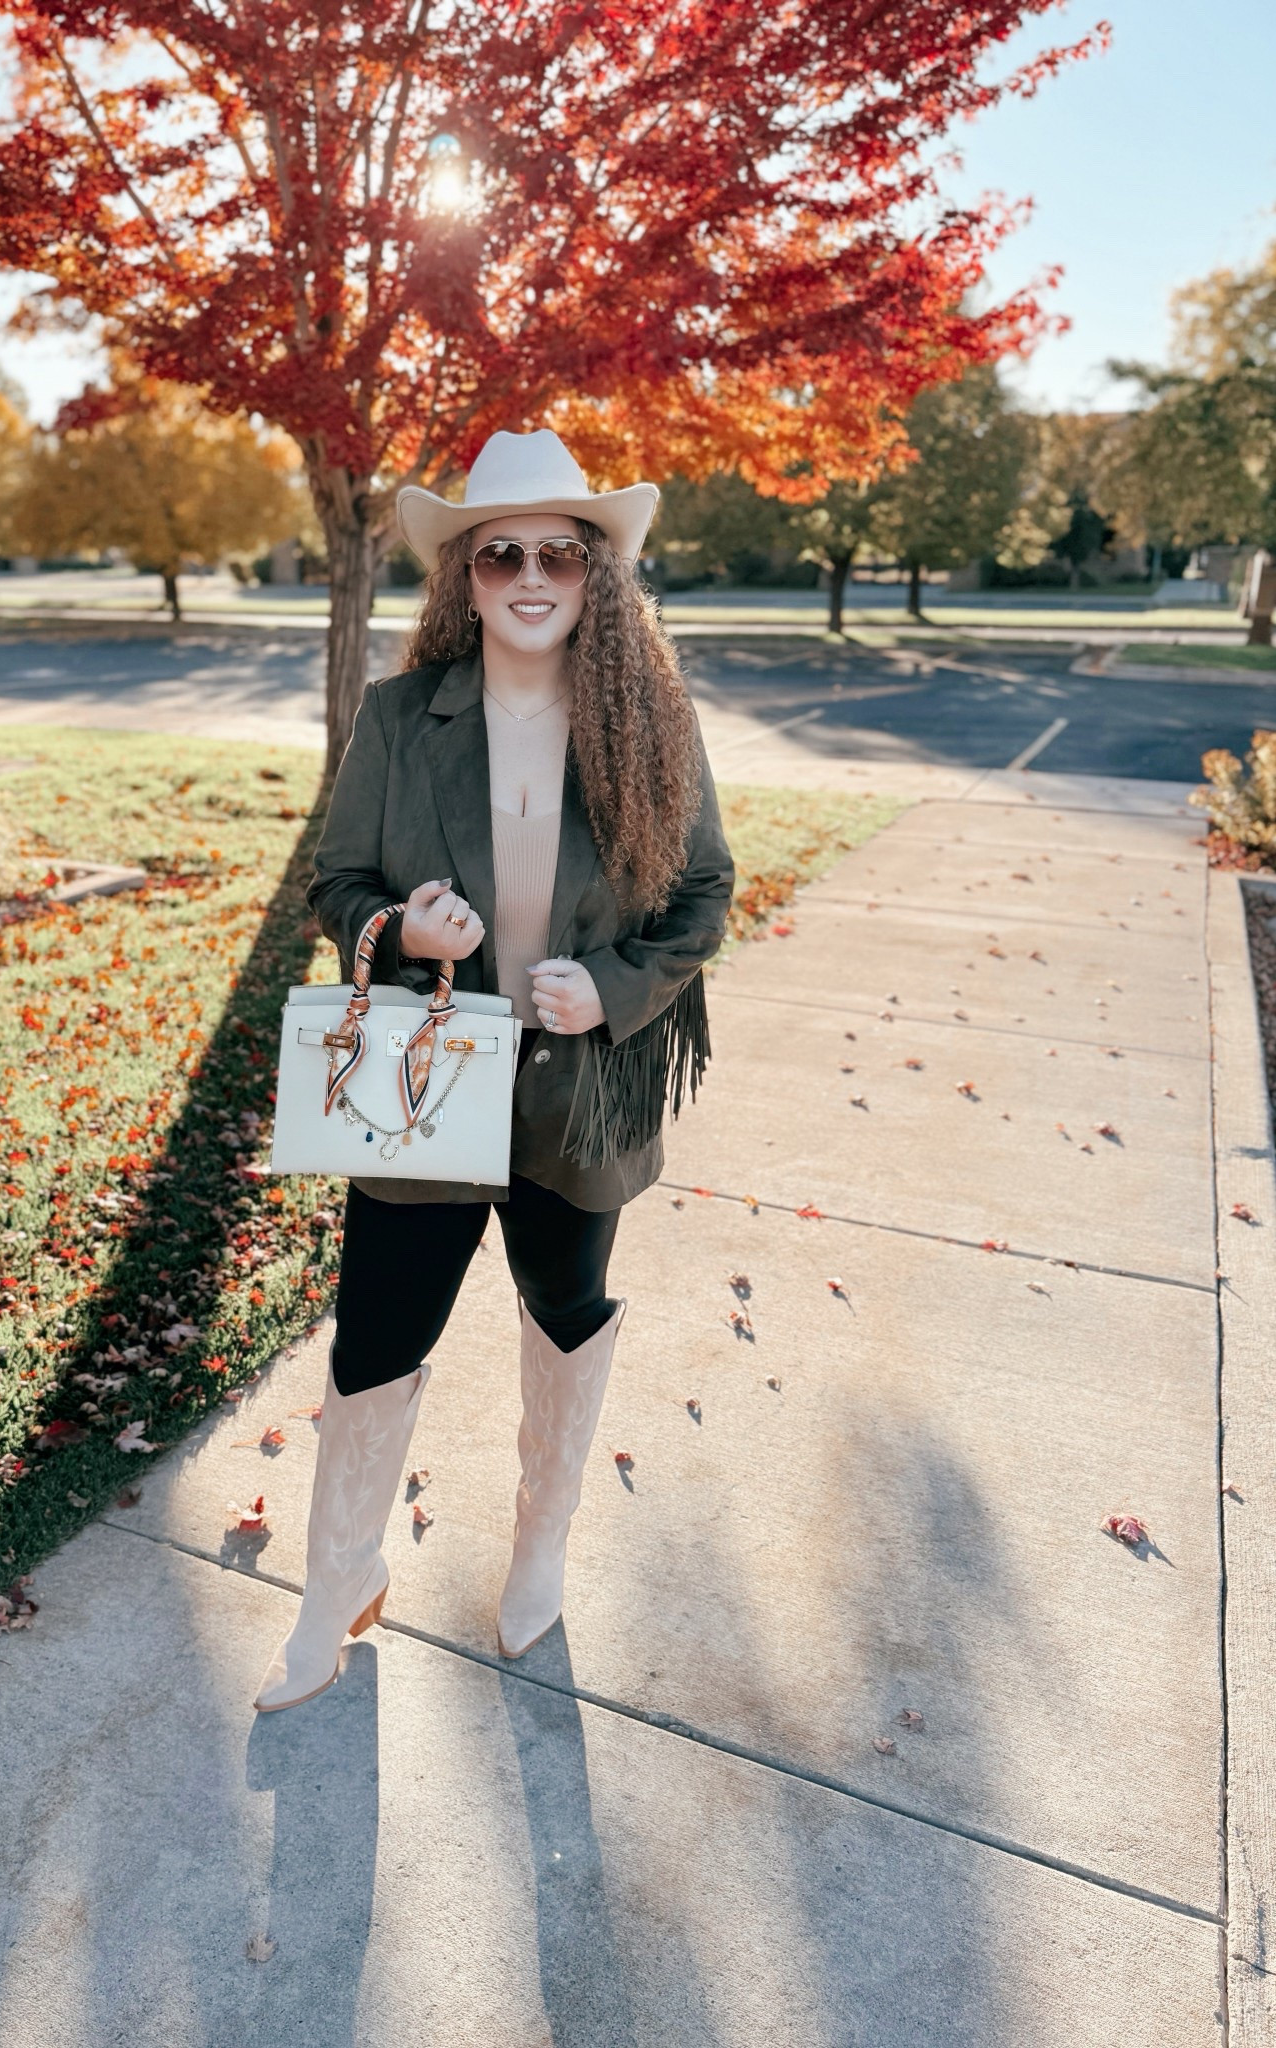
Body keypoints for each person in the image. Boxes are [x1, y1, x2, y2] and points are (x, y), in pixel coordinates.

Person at [255, 427, 735, 1710]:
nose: (532, 576)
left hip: (580, 1093)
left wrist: (615, 990)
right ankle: (333, 1581)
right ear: (464, 576)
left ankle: (540, 1545)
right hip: (425, 1079)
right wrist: (399, 930)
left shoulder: (652, 724)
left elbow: (703, 892)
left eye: (560, 556)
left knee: (564, 1315)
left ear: (599, 578)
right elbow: (336, 881)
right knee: (376, 1335)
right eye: (501, 553)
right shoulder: (402, 718)